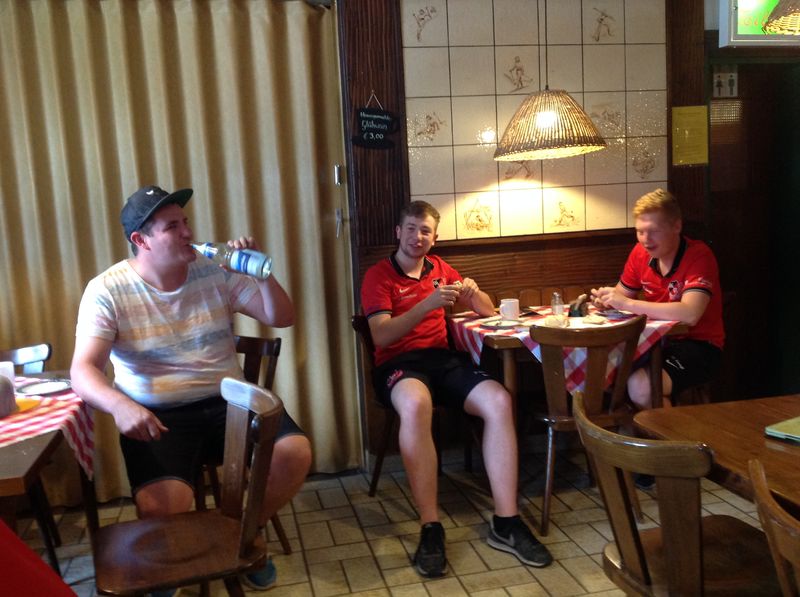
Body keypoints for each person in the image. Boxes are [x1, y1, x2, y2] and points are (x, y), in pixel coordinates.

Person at [70, 185, 312, 593]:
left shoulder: (213, 269)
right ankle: (181, 560)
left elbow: (282, 316)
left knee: (295, 453)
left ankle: (245, 538)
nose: (188, 232)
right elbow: (83, 370)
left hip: (228, 403)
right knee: (162, 507)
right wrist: (120, 406)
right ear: (141, 240)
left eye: (185, 222)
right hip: (159, 417)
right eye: (172, 227)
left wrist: (262, 274)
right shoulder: (107, 290)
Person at [360, 200, 553, 578]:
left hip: (443, 360)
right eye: (411, 228)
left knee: (499, 400)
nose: (417, 237)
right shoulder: (378, 276)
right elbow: (381, 334)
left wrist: (473, 293)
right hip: (398, 366)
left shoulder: (440, 268)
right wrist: (427, 304)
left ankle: (506, 521)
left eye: (425, 231)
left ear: (434, 238)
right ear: (398, 232)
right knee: (415, 404)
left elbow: (488, 311)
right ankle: (430, 526)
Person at [591, 188, 724, 412]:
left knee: (642, 388)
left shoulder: (699, 255)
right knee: (601, 373)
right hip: (654, 343)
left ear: (676, 226)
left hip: (699, 346)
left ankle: (669, 436)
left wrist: (626, 304)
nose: (646, 240)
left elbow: (690, 314)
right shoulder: (640, 253)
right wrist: (605, 300)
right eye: (640, 232)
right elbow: (622, 294)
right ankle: (641, 433)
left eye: (653, 231)